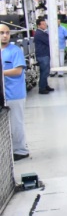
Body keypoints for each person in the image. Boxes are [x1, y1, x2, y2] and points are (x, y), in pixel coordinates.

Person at [1, 24, 30, 160]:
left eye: (7, 33)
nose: (5, 35)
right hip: (3, 94)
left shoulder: (15, 51)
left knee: (16, 122)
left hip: (14, 94)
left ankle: (21, 151)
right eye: (2, 33)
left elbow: (18, 71)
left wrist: (1, 73)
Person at [33, 17, 53, 94]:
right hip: (43, 55)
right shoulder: (40, 33)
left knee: (44, 71)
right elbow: (48, 41)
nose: (45, 25)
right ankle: (42, 88)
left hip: (44, 54)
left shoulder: (42, 33)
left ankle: (45, 85)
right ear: (38, 25)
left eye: (45, 24)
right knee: (45, 72)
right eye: (43, 24)